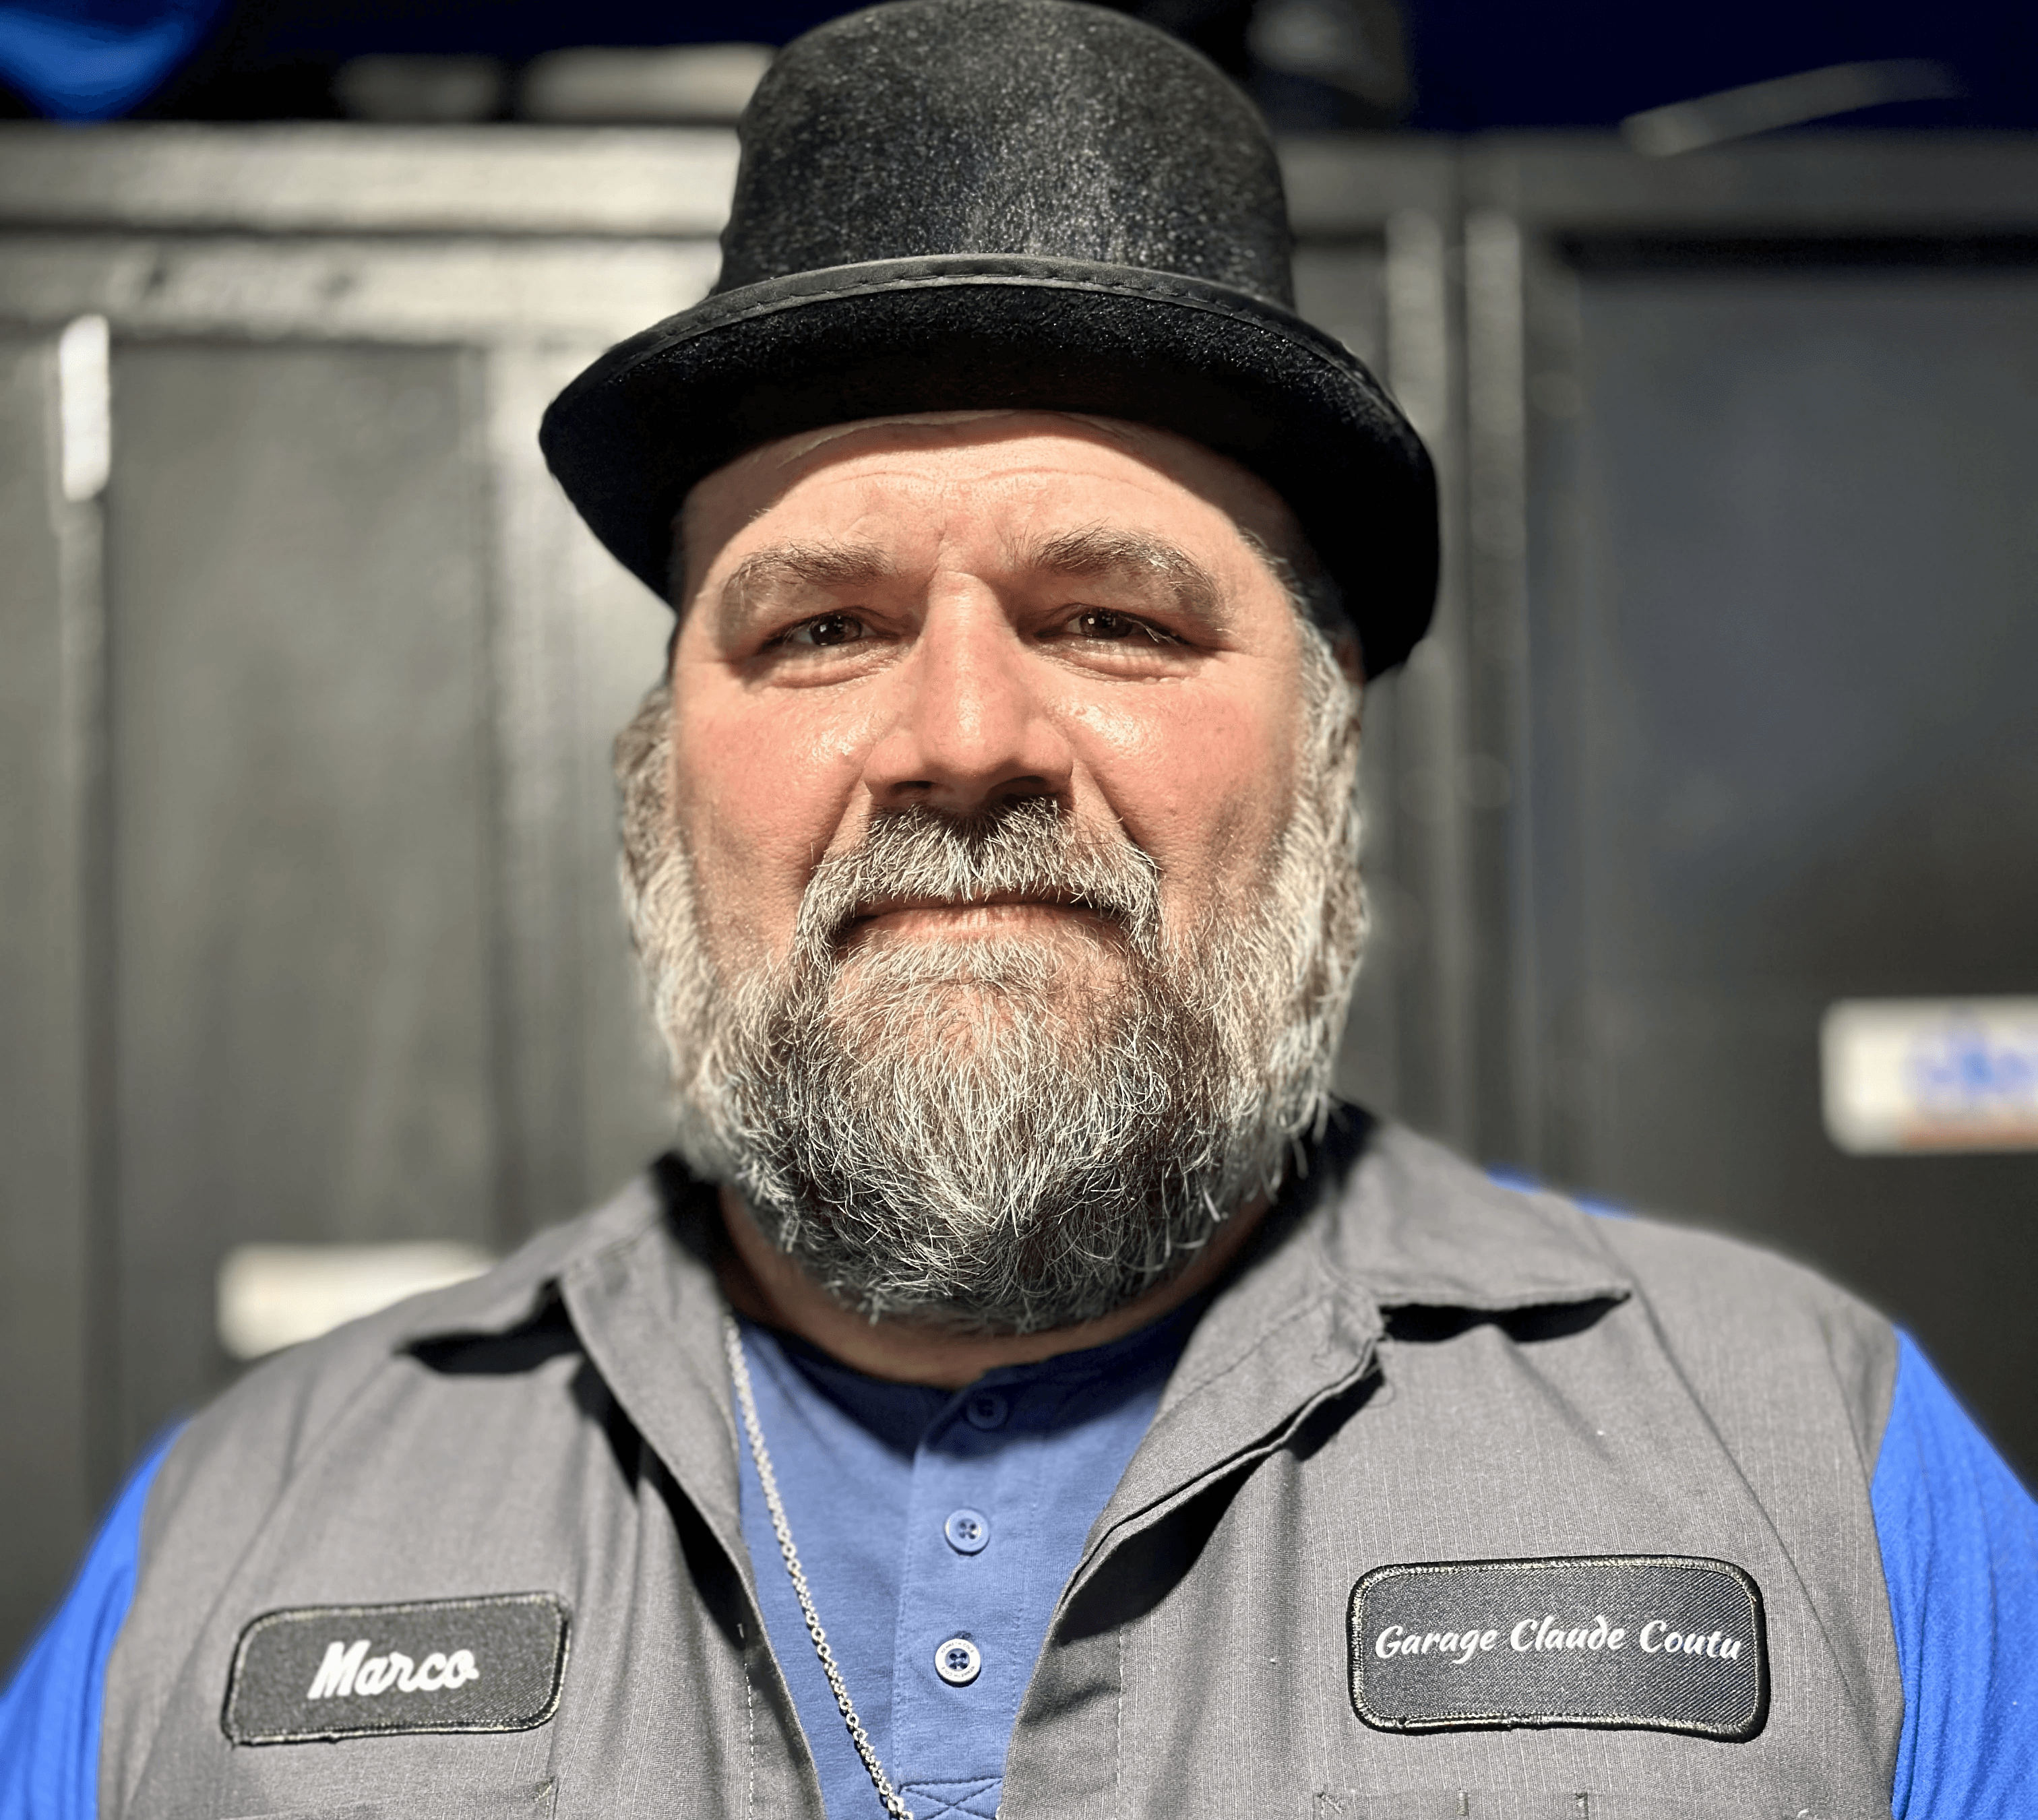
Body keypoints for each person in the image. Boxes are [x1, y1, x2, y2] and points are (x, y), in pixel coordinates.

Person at [4, 2, 2035, 1815]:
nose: (964, 737)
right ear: (662, 778)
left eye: (1108, 617)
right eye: (821, 626)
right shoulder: (233, 1534)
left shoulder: (1825, 1469)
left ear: (1325, 761)